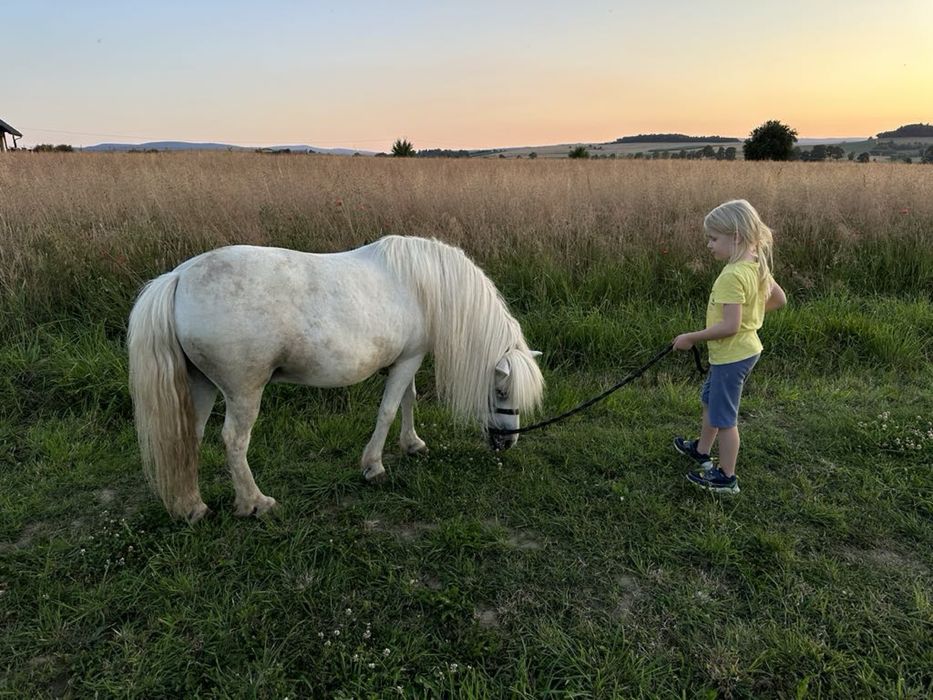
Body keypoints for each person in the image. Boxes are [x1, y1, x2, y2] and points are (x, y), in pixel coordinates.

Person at [672, 199, 786, 494]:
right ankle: (701, 450)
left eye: (713, 239)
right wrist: (751, 314)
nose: (708, 245)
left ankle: (726, 476)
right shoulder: (755, 264)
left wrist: (690, 337)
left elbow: (730, 327)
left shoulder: (732, 276)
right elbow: (779, 299)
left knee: (725, 418)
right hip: (742, 351)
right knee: (711, 401)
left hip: (733, 356)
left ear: (735, 237)